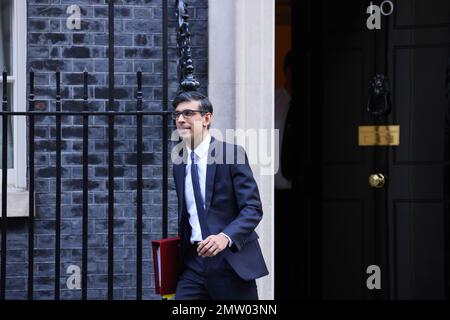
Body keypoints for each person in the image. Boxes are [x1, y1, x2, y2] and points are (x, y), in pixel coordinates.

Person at [171, 91, 268, 300]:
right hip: (193, 265)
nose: (180, 119)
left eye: (188, 113)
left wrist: (225, 237)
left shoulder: (232, 154)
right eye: (177, 114)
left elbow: (252, 208)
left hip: (230, 263)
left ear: (207, 118)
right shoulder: (179, 163)